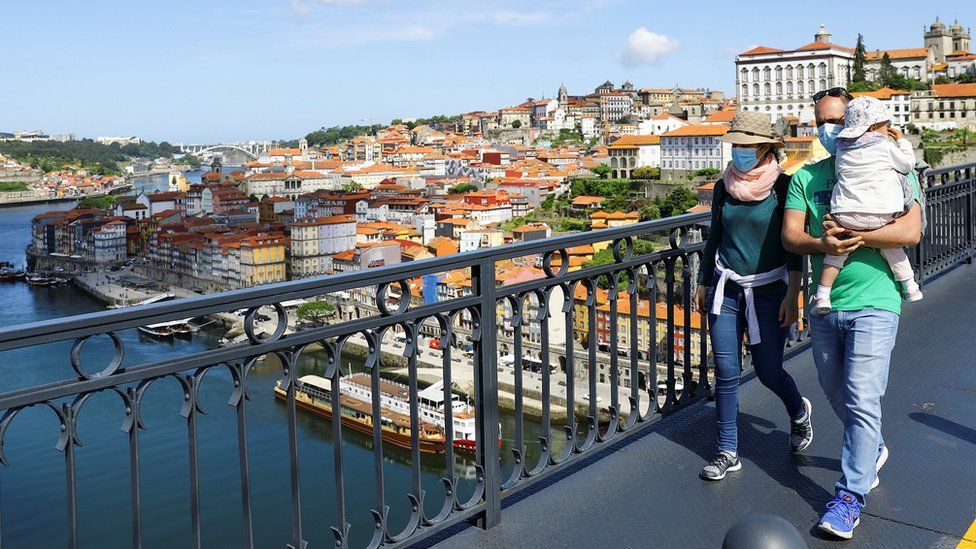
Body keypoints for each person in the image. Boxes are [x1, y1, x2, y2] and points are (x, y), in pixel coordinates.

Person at [782, 87, 922, 540]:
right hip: (826, 304)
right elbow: (790, 238)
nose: (829, 129)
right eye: (820, 121)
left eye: (837, 120)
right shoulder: (806, 177)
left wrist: (854, 230)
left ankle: (849, 497)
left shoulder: (888, 162)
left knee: (862, 397)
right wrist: (825, 244)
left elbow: (912, 229)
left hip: (877, 299)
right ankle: (872, 447)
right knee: (833, 390)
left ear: (855, 122)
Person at [694, 111, 813, 482]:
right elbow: (715, 236)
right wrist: (703, 281)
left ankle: (798, 411)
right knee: (726, 373)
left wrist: (794, 293)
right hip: (726, 289)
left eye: (746, 146)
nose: (739, 152)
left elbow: (794, 246)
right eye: (736, 146)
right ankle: (728, 450)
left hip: (768, 290)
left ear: (764, 148)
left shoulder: (784, 187)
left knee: (768, 371)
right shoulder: (722, 187)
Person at [812, 95, 923, 315]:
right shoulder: (883, 145)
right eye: (885, 125)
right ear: (873, 126)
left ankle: (823, 296)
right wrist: (901, 142)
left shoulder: (842, 148)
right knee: (893, 249)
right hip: (879, 212)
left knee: (834, 257)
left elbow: (840, 174)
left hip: (844, 214)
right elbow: (907, 164)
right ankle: (910, 286)